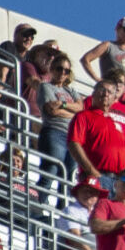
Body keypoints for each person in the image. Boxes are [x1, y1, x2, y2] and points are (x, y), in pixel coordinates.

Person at [36, 53, 86, 200]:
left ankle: (61, 211)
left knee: (68, 176)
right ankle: (36, 206)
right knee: (51, 170)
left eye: (66, 71)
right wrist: (72, 112)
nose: (63, 73)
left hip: (72, 137)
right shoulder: (46, 87)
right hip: (54, 132)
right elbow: (51, 111)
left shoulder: (71, 90)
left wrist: (63, 105)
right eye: (59, 69)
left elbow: (81, 109)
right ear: (52, 69)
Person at [82, 16, 125, 86]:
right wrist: (98, 79)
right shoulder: (108, 46)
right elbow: (86, 59)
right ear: (118, 29)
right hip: (111, 92)